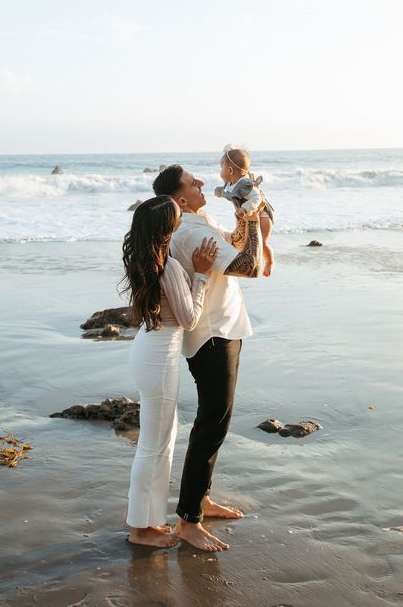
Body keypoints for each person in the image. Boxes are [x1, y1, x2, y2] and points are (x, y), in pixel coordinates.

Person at [151, 164, 265, 552]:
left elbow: (235, 246)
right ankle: (188, 521)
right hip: (212, 336)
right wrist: (250, 217)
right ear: (179, 198)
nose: (203, 183)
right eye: (193, 182)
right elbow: (249, 266)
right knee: (212, 424)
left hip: (223, 330)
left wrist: (242, 217)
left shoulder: (198, 220)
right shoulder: (191, 231)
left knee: (215, 420)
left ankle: (200, 501)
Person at [122, 195, 218, 548]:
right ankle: (140, 529)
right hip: (161, 358)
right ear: (167, 227)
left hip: (148, 351)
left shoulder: (148, 262)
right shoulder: (169, 268)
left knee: (157, 441)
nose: (183, 216)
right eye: (179, 215)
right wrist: (203, 276)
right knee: (153, 445)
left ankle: (145, 520)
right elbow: (189, 318)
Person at [215, 144, 275, 278]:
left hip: (263, 215)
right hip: (251, 215)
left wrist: (246, 208)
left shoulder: (245, 184)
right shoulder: (231, 182)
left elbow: (257, 198)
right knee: (247, 241)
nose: (220, 172)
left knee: (263, 242)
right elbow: (229, 193)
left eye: (221, 168)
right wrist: (220, 192)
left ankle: (270, 261)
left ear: (230, 171)